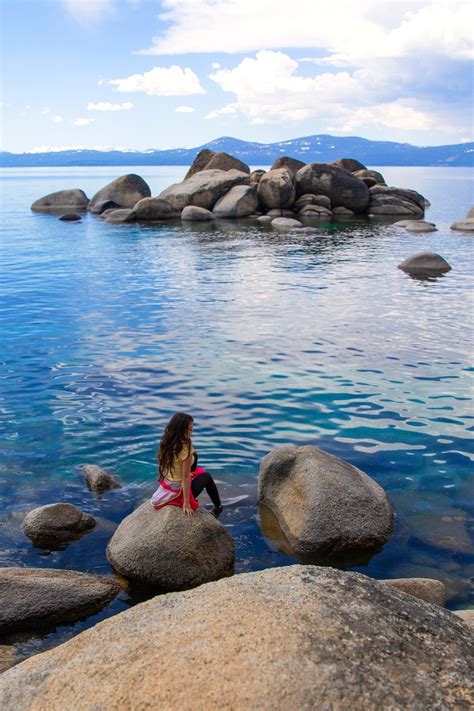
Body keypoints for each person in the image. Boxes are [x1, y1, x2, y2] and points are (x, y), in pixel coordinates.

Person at [151, 412, 223, 518]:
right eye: (189, 429)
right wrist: (187, 502)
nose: (192, 432)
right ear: (181, 430)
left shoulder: (168, 442)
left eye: (192, 428)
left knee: (201, 471)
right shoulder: (185, 449)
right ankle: (218, 508)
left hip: (169, 484)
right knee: (207, 476)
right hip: (178, 490)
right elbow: (185, 477)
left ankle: (218, 507)